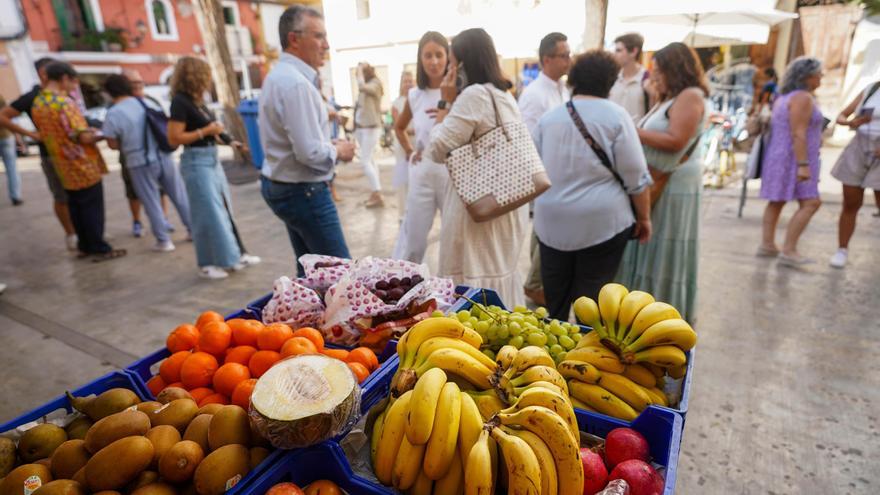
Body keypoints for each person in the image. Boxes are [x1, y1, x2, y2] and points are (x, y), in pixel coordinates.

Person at [534, 50, 652, 320]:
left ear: (574, 78)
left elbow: (535, 170)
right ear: (610, 81)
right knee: (594, 301)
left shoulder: (549, 119)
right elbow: (636, 176)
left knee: (556, 298)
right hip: (602, 225)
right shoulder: (617, 116)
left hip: (551, 223)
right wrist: (644, 217)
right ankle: (588, 354)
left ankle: (554, 348)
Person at [426, 28, 529, 307]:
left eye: (452, 61)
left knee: (475, 274)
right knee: (497, 268)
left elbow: (437, 149)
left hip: (477, 204)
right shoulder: (503, 94)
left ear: (462, 63)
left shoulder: (474, 95)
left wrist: (445, 101)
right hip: (505, 198)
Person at [258, 5, 355, 276]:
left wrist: (330, 146)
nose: (326, 45)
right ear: (294, 39)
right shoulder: (295, 84)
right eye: (319, 36)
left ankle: (307, 319)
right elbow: (308, 152)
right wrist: (339, 151)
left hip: (288, 185)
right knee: (341, 277)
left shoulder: (282, 77)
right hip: (304, 190)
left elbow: (298, 143)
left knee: (312, 273)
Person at [616, 42, 709, 323]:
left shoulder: (691, 96)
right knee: (649, 247)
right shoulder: (671, 97)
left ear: (675, 69)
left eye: (659, 70)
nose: (653, 75)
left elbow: (676, 140)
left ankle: (658, 316)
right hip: (660, 179)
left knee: (662, 248)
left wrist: (634, 131)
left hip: (674, 184)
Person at [167, 56, 260, 279]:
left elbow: (212, 131)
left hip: (210, 159)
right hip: (196, 162)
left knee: (223, 209)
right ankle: (208, 263)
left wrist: (231, 142)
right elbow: (174, 138)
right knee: (207, 214)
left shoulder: (197, 102)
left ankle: (233, 256)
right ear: (195, 76)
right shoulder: (179, 102)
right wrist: (205, 131)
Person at [30, 62, 125, 261]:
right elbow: (81, 137)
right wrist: (103, 134)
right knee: (91, 206)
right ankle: (99, 247)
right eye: (73, 81)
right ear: (64, 78)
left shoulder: (39, 103)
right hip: (81, 162)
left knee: (75, 206)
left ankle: (85, 246)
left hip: (61, 163)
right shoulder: (64, 103)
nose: (75, 86)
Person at [101, 74, 192, 252]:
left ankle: (164, 240)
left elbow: (112, 144)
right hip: (163, 156)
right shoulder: (146, 103)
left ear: (110, 92)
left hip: (138, 161)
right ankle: (193, 230)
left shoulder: (114, 113)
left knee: (151, 201)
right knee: (180, 196)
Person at [517, 31, 571, 307]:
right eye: (564, 55)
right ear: (547, 59)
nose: (569, 60)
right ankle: (536, 297)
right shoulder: (534, 96)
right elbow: (526, 145)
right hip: (546, 185)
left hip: (563, 184)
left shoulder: (563, 89)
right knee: (543, 248)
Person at [0, 57, 77, 249]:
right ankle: (71, 234)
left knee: (78, 195)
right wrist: (31, 134)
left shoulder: (64, 94)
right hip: (51, 155)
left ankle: (84, 231)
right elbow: (3, 115)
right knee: (61, 196)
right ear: (43, 74)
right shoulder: (32, 97)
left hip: (73, 154)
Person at [757, 57, 824, 267]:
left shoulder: (783, 97)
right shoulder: (803, 98)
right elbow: (799, 132)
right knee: (811, 202)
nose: (821, 77)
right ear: (808, 76)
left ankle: (767, 244)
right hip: (794, 157)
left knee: (776, 200)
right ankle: (789, 249)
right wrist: (803, 164)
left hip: (779, 154)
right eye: (819, 73)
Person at [391, 31, 450, 263]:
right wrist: (409, 150)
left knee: (453, 239)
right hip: (423, 172)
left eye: (439, 55)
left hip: (450, 173)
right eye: (428, 55)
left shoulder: (458, 92)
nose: (434, 61)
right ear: (420, 59)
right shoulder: (415, 94)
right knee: (413, 242)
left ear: (448, 57)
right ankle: (405, 291)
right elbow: (399, 127)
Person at [828, 79, 880, 268]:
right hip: (860, 147)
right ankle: (842, 249)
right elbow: (842, 115)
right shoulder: (872, 89)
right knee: (850, 202)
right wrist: (851, 122)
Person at [354, 62, 385, 208]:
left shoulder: (375, 83)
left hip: (371, 128)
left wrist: (360, 70)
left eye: (360, 72)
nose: (358, 75)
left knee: (365, 161)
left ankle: (377, 193)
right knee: (371, 161)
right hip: (362, 128)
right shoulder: (368, 83)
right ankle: (375, 192)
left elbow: (362, 87)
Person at [390, 70, 415, 221]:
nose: (408, 84)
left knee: (416, 179)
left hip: (417, 142)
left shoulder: (417, 99)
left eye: (410, 81)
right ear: (401, 84)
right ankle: (402, 213)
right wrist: (410, 130)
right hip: (402, 143)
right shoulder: (396, 103)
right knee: (403, 180)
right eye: (405, 81)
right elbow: (398, 124)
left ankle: (414, 212)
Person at [610, 33, 650, 123]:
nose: (614, 54)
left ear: (633, 52)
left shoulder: (647, 79)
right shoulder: (612, 77)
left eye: (619, 50)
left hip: (636, 135)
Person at [0, 95, 22, 205]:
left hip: (6, 137)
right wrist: (17, 136)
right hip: (5, 135)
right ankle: (15, 196)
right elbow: (8, 116)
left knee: (11, 167)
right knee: (11, 168)